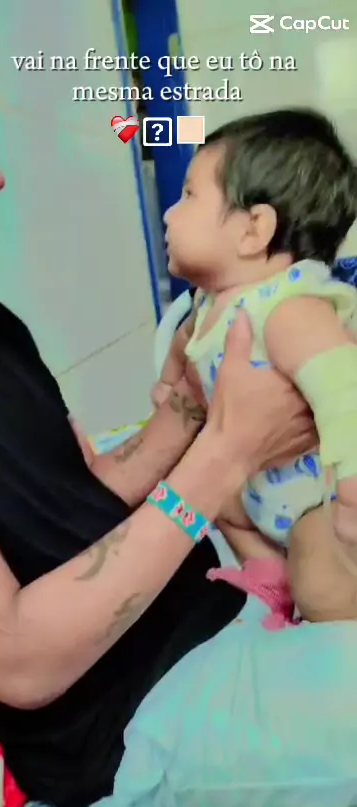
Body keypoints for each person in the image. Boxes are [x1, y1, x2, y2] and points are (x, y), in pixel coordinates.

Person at [0, 0, 313, 807]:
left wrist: (186, 410)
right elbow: (18, 657)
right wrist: (224, 454)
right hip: (145, 729)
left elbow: (77, 507)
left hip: (226, 627)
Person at [155, 109, 357, 623]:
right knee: (213, 498)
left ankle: (332, 623)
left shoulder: (288, 308)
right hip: (257, 482)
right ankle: (269, 575)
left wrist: (352, 484)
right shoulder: (208, 305)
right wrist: (169, 386)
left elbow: (345, 391)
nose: (170, 214)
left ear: (254, 230)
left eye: (189, 195)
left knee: (321, 575)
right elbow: (183, 346)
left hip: (317, 498)